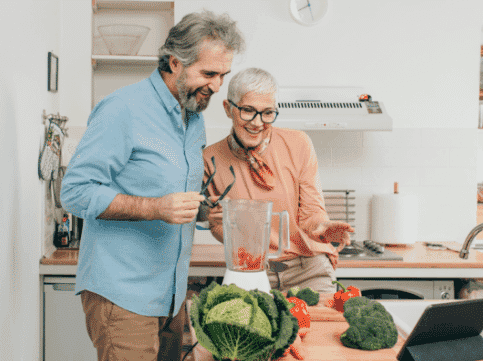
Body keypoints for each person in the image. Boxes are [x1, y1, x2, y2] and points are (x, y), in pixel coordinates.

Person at [60, 11, 245, 361]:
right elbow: (75, 191)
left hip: (170, 296)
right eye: (208, 73)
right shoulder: (122, 109)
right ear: (175, 62)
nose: (217, 86)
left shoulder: (192, 115)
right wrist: (155, 208)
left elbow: (173, 186)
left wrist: (205, 210)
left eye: (223, 75)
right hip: (123, 297)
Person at [203, 68, 355, 294]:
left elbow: (311, 211)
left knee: (323, 325)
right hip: (251, 270)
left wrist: (321, 227)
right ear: (228, 108)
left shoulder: (299, 143)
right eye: (248, 111)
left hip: (308, 267)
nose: (257, 122)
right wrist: (222, 223)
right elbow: (215, 224)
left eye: (267, 113)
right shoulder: (210, 159)